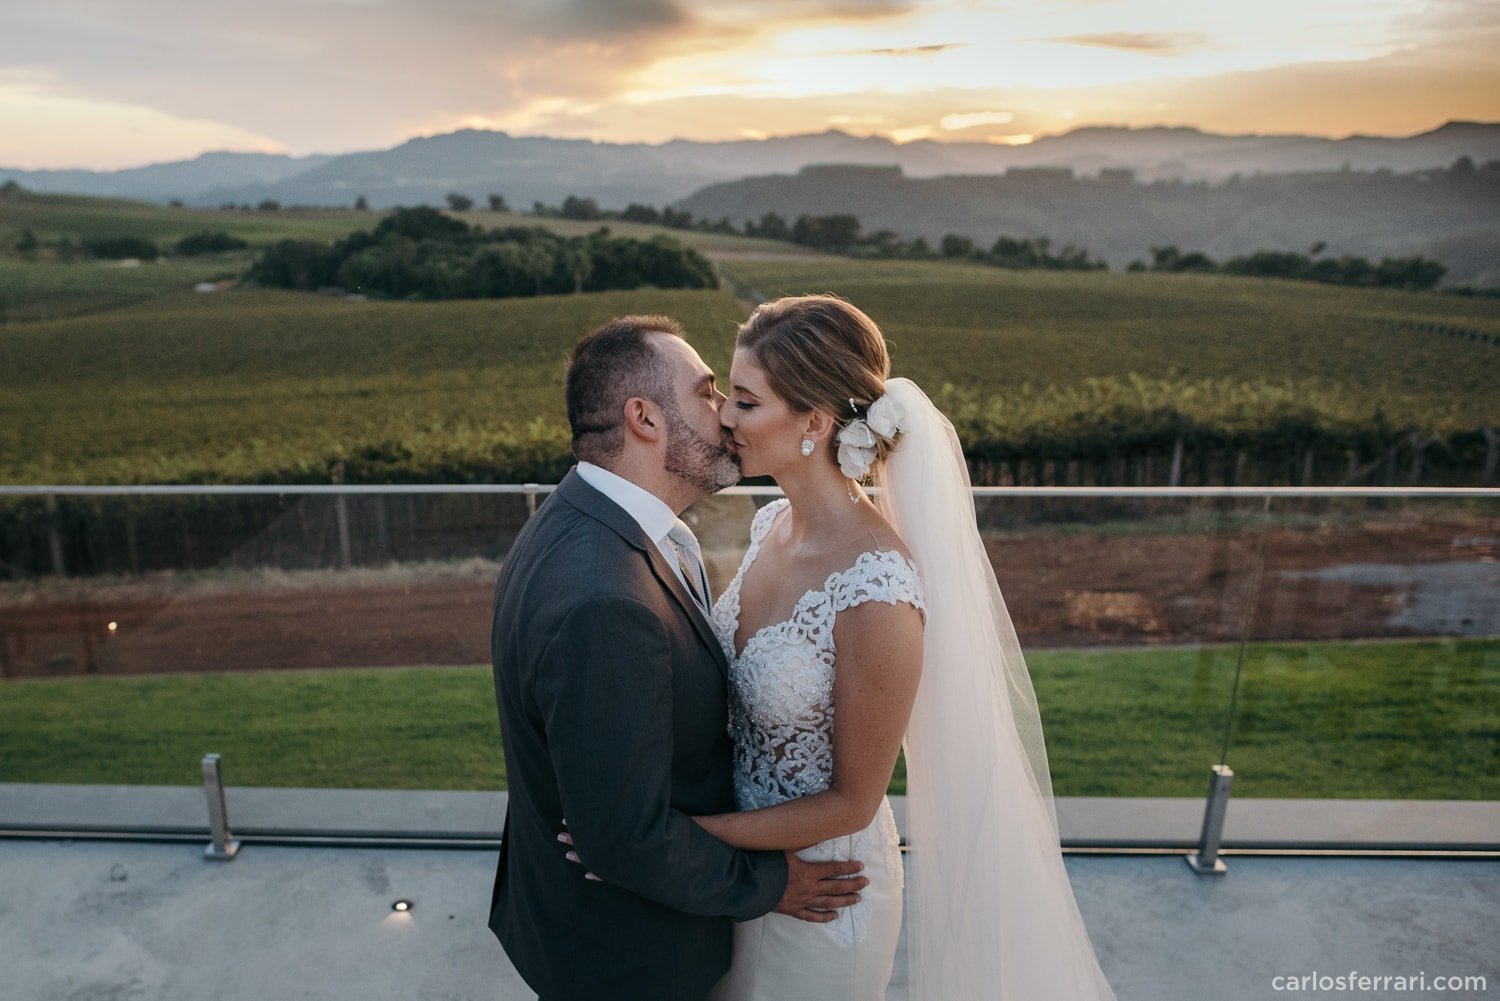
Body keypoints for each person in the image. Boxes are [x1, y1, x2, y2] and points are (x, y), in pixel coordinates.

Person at [695, 295, 1119, 1000]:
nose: (724, 418)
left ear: (815, 422)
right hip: (745, 878)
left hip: (822, 894)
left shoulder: (878, 589)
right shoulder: (769, 524)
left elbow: (853, 801)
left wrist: (684, 837)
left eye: (744, 401)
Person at [488, 314, 870, 1001]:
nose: (725, 413)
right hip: (627, 960)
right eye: (705, 392)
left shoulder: (584, 517)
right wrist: (772, 881)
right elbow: (622, 839)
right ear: (645, 419)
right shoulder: (607, 600)